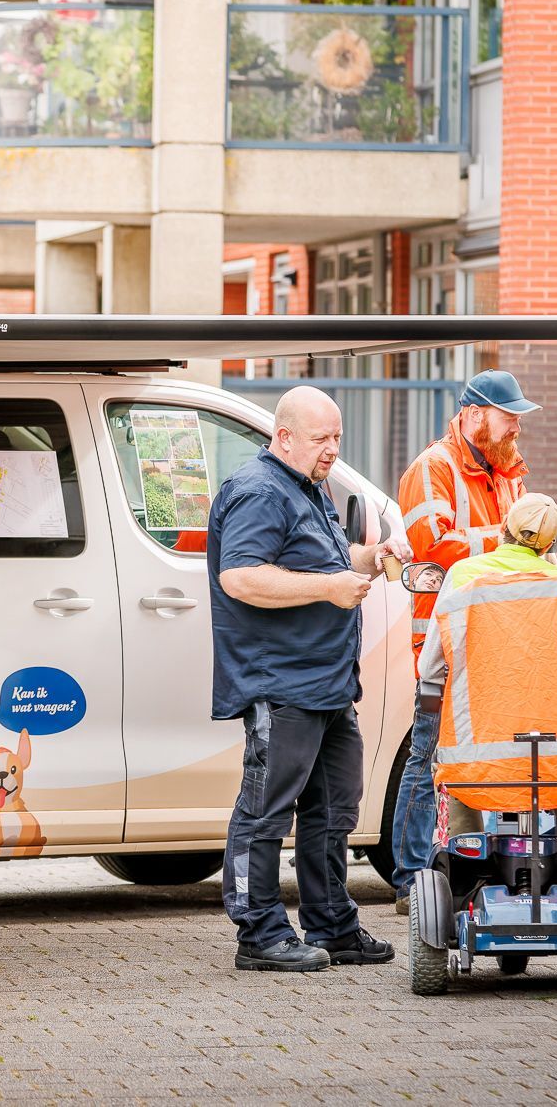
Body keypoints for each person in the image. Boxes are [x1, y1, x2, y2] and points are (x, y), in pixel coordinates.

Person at [211, 385, 408, 973]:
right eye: (321, 438)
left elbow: (324, 559)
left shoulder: (307, 485)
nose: (332, 450)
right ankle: (259, 933)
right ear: (284, 436)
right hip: (281, 681)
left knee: (333, 809)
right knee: (266, 810)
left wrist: (371, 557)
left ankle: (332, 926)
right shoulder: (258, 490)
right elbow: (240, 577)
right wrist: (328, 588)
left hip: (327, 683)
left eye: (337, 438)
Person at [418, 493, 557, 854]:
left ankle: (463, 853)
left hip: (479, 760)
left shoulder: (462, 575)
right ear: (548, 546)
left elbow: (429, 667)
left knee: (456, 779)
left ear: (503, 526)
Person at [390, 369, 535, 904]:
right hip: (446, 641)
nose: (516, 426)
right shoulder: (433, 467)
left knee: (485, 758)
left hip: (500, 636)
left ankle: (476, 870)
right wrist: (509, 541)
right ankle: (409, 879)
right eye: (508, 416)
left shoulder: (508, 469)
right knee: (429, 757)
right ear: (475, 415)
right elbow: (432, 544)